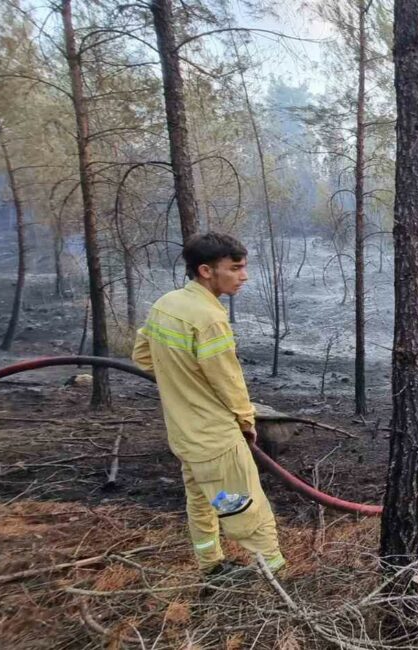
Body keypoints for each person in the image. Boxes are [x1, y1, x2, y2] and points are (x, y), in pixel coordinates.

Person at [132, 232, 284, 577]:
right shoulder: (210, 319)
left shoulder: (166, 304)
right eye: (235, 268)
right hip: (215, 440)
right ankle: (279, 584)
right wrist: (247, 422)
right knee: (248, 513)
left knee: (201, 503)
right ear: (205, 270)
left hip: (184, 436)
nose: (243, 276)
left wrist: (181, 382)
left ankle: (211, 567)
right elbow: (229, 382)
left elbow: (142, 357)